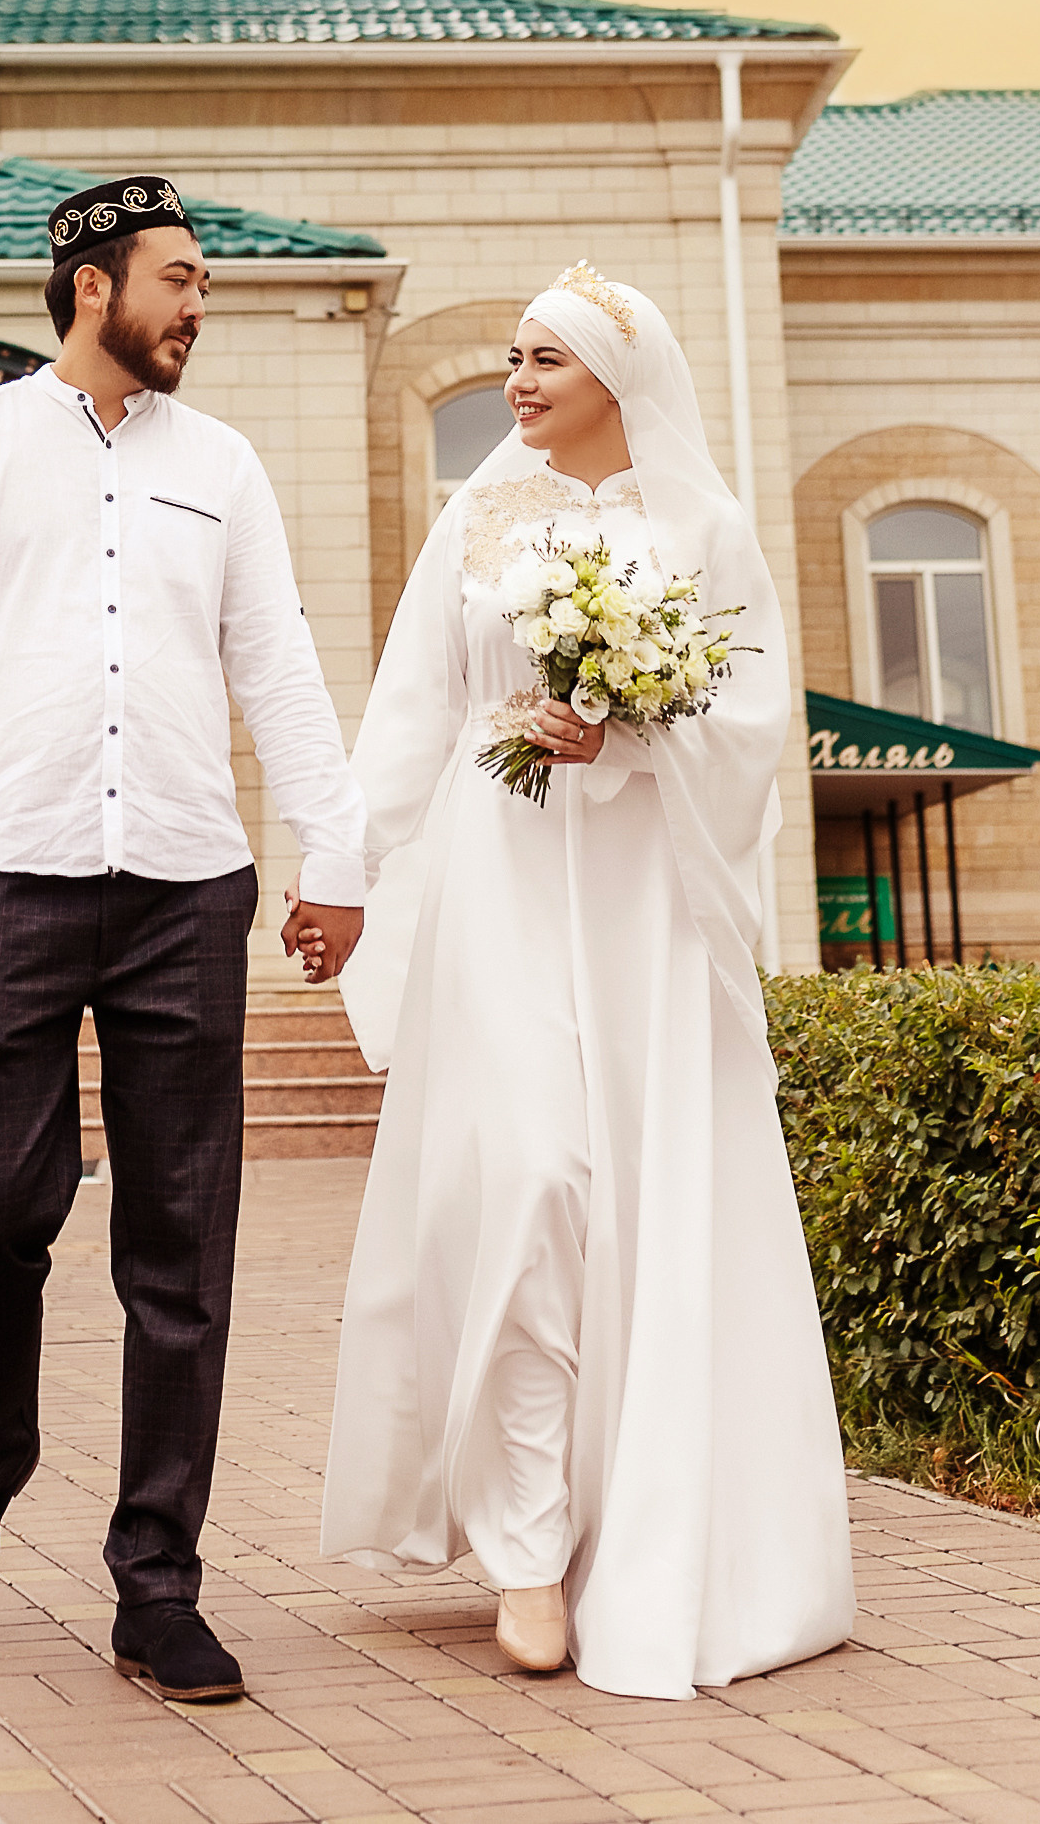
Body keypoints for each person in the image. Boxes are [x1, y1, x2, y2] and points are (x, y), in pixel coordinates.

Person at [0, 175, 366, 1707]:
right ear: (92, 286)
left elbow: (273, 664)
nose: (198, 304)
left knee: (180, 1248)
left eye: (202, 279)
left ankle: (158, 1584)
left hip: (183, 889)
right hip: (0, 878)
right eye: (180, 278)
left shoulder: (223, 463)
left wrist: (332, 853)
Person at [318, 262, 854, 1696]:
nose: (517, 380)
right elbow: (413, 710)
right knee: (531, 1178)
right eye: (512, 357)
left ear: (621, 372)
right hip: (503, 889)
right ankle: (523, 1549)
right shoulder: (478, 516)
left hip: (638, 909)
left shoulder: (706, 526)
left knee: (636, 1202)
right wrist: (341, 876)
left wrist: (626, 738)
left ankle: (628, 1515)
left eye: (545, 358)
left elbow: (748, 729)